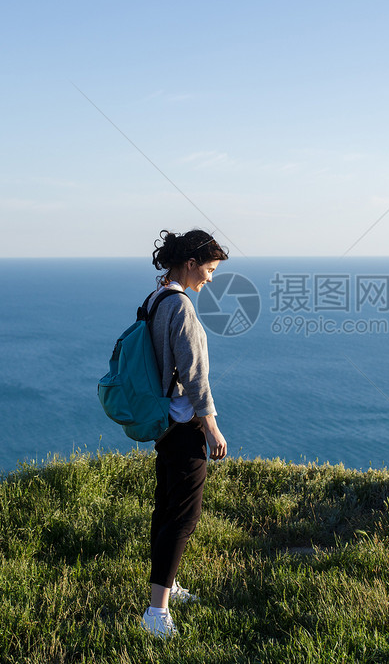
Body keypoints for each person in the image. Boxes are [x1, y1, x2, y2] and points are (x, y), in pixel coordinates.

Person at [140, 229, 229, 638]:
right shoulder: (182, 308)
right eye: (209, 269)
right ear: (190, 264)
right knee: (183, 514)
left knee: (166, 506)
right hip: (183, 422)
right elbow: (194, 376)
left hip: (163, 421)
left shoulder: (156, 299)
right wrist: (211, 428)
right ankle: (157, 612)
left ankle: (168, 586)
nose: (210, 278)